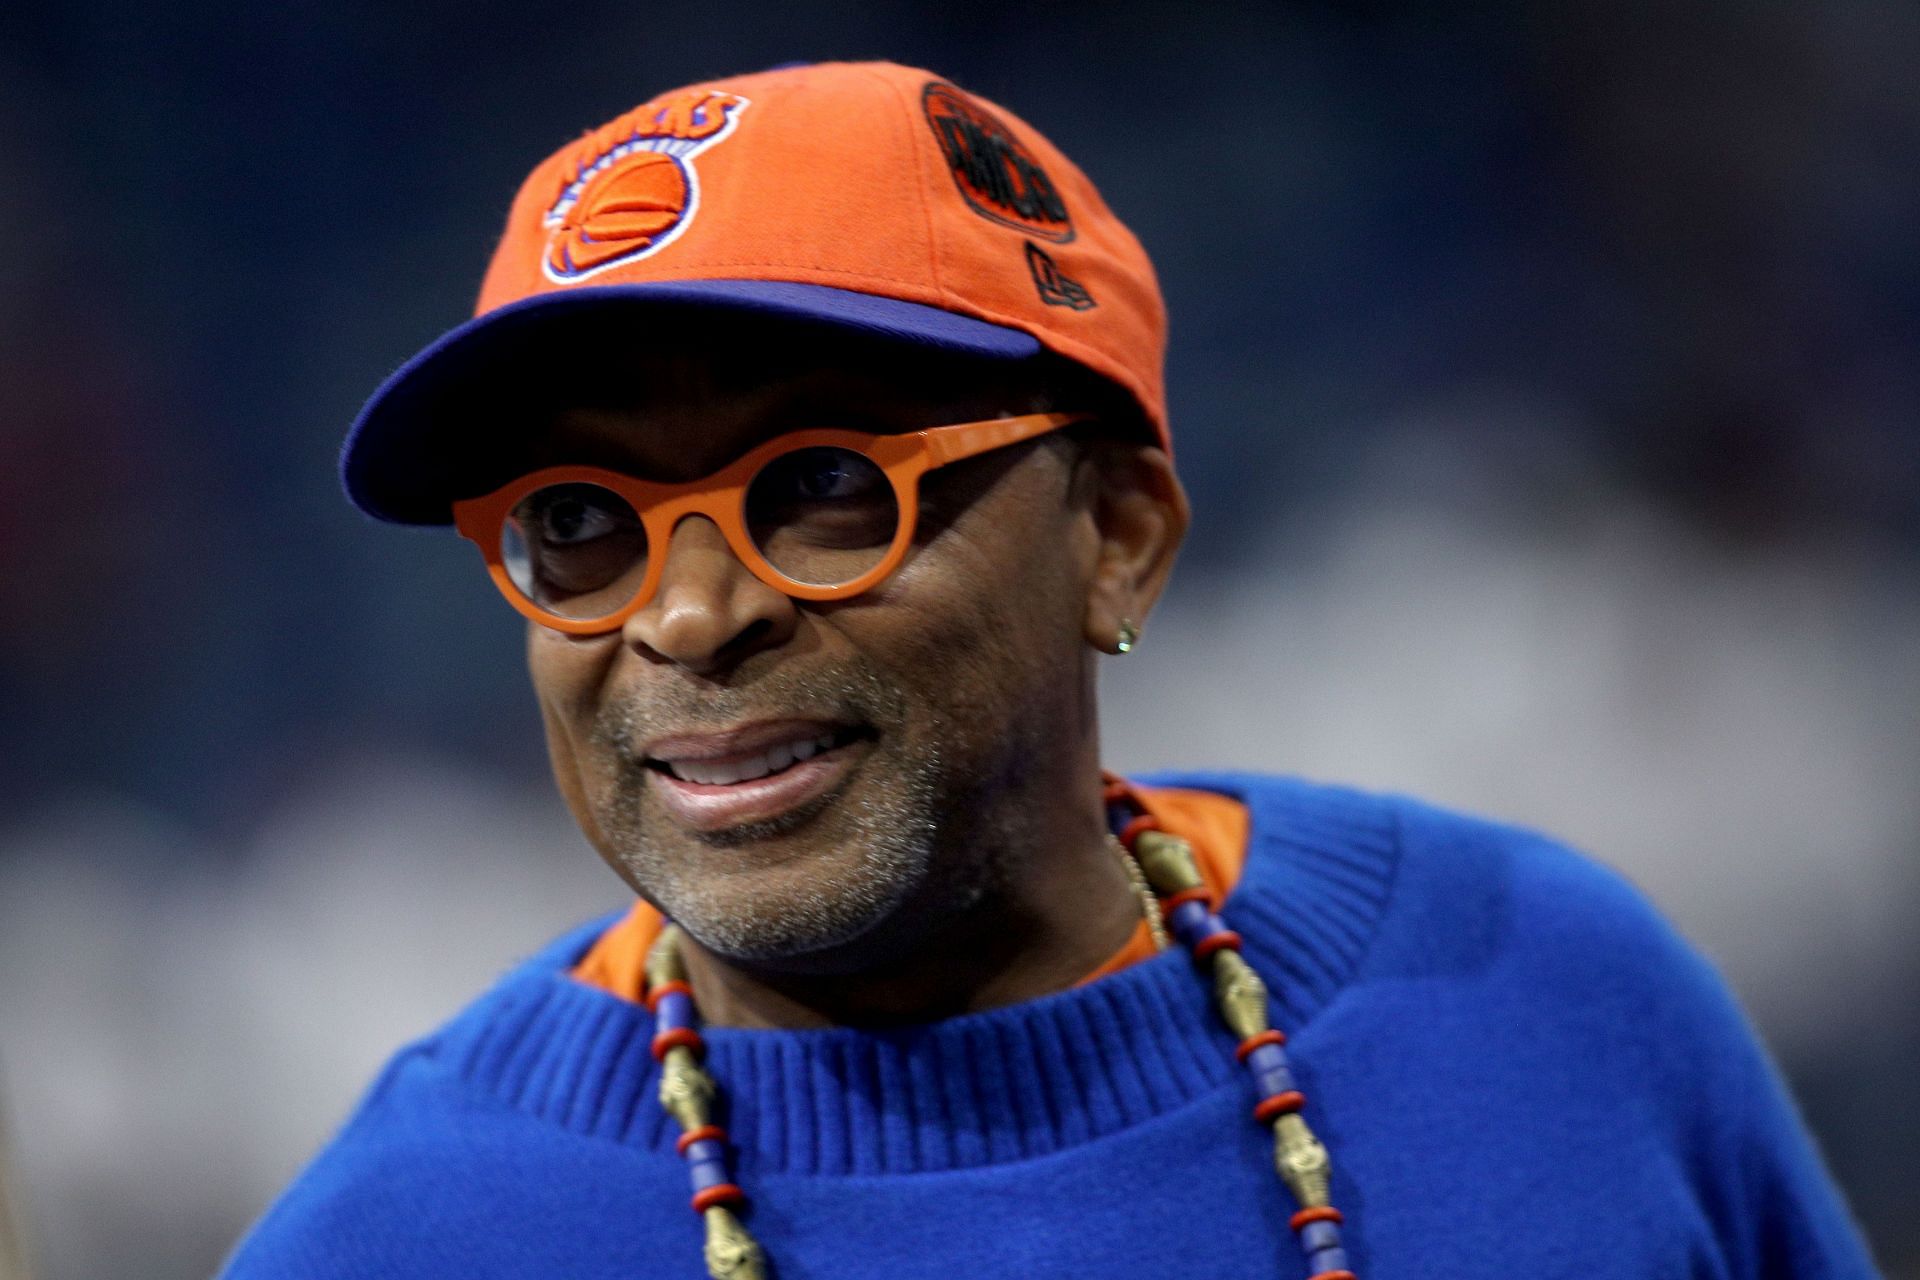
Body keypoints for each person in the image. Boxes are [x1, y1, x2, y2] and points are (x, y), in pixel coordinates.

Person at [221, 61, 1878, 1279]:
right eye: (579, 521)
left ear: (1120, 537)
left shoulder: (1548, 995)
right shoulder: (402, 1236)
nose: (688, 615)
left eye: (818, 487)